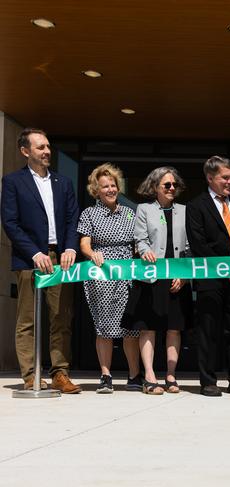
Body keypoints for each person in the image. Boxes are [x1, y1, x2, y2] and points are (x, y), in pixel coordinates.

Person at [1, 128, 81, 393]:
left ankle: (60, 372)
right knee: (27, 320)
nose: (47, 151)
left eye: (48, 146)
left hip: (61, 258)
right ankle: (30, 374)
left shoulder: (63, 183)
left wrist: (70, 248)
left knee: (60, 317)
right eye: (40, 147)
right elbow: (10, 223)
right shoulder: (13, 182)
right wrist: (34, 253)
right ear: (25, 151)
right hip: (29, 258)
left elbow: (72, 220)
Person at [186, 156, 230, 397]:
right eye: (225, 177)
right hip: (211, 279)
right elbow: (199, 243)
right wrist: (226, 269)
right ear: (210, 178)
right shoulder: (196, 206)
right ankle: (208, 380)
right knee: (208, 330)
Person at [122, 167, 193, 395]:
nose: (172, 188)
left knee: (174, 328)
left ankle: (171, 375)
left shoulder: (185, 210)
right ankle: (150, 376)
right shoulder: (144, 209)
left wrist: (184, 276)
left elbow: (191, 247)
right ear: (155, 188)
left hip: (177, 277)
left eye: (174, 185)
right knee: (148, 328)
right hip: (151, 277)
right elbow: (139, 239)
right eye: (167, 185)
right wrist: (144, 251)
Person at [77, 163, 141, 394]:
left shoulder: (130, 213)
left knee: (130, 328)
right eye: (105, 186)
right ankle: (106, 376)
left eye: (113, 185)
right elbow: (84, 243)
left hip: (127, 275)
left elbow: (138, 243)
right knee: (104, 328)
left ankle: (134, 375)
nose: (111, 189)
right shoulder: (89, 213)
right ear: (96, 190)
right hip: (102, 274)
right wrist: (92, 253)